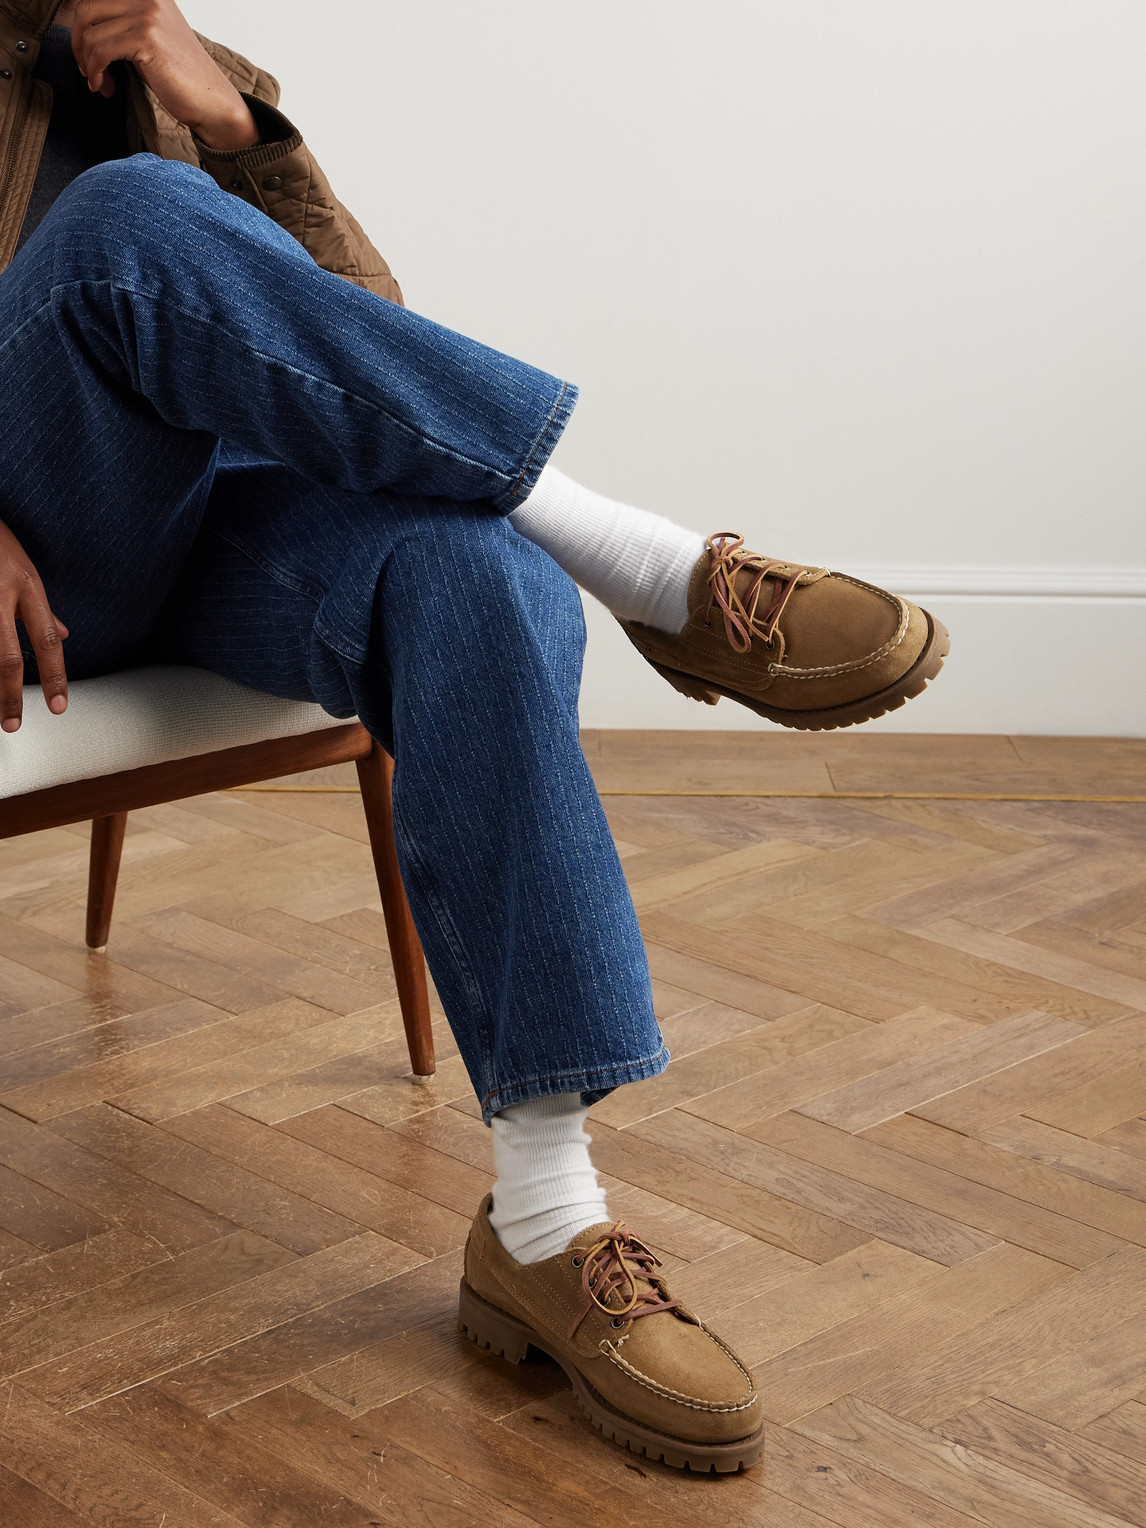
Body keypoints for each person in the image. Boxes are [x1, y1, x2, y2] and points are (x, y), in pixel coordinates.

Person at [0, 0, 948, 1473]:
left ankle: (544, 1216)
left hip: (218, 528)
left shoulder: (166, 58)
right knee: (128, 213)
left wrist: (245, 132)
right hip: (45, 567)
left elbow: (377, 355)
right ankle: (653, 568)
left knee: (477, 570)